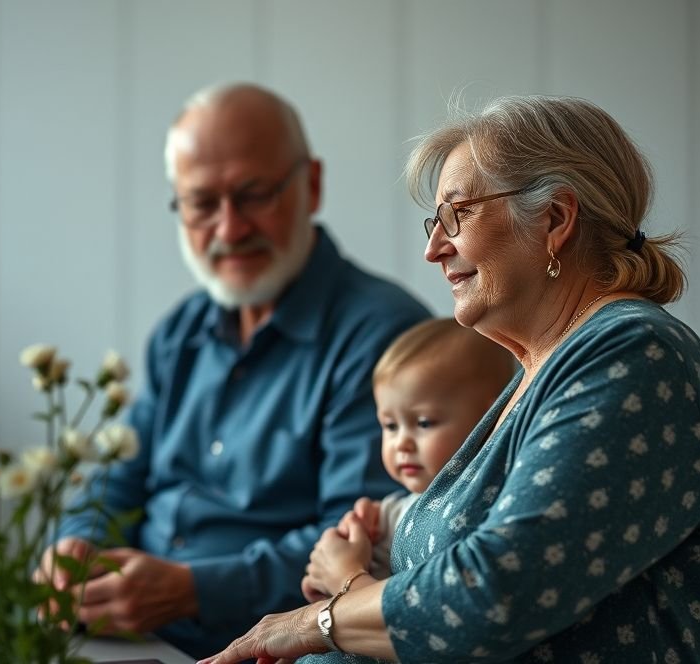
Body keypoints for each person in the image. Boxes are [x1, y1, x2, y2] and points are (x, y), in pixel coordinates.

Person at [200, 95, 700, 664]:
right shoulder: (535, 372)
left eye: (456, 215)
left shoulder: (635, 351)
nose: (433, 249)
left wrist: (322, 617)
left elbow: (490, 598)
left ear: (556, 220)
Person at [34, 83, 430, 658]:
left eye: (254, 194)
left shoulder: (382, 338)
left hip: (246, 642)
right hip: (123, 628)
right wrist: (73, 548)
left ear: (312, 185)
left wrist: (191, 590)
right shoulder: (181, 332)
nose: (229, 229)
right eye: (201, 203)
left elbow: (360, 541)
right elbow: (118, 479)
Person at [301, 318, 514, 602]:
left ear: (489, 419)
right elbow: (326, 594)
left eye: (424, 423)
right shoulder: (386, 517)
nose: (401, 442)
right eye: (390, 426)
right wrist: (340, 552)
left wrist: (344, 576)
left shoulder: (486, 504)